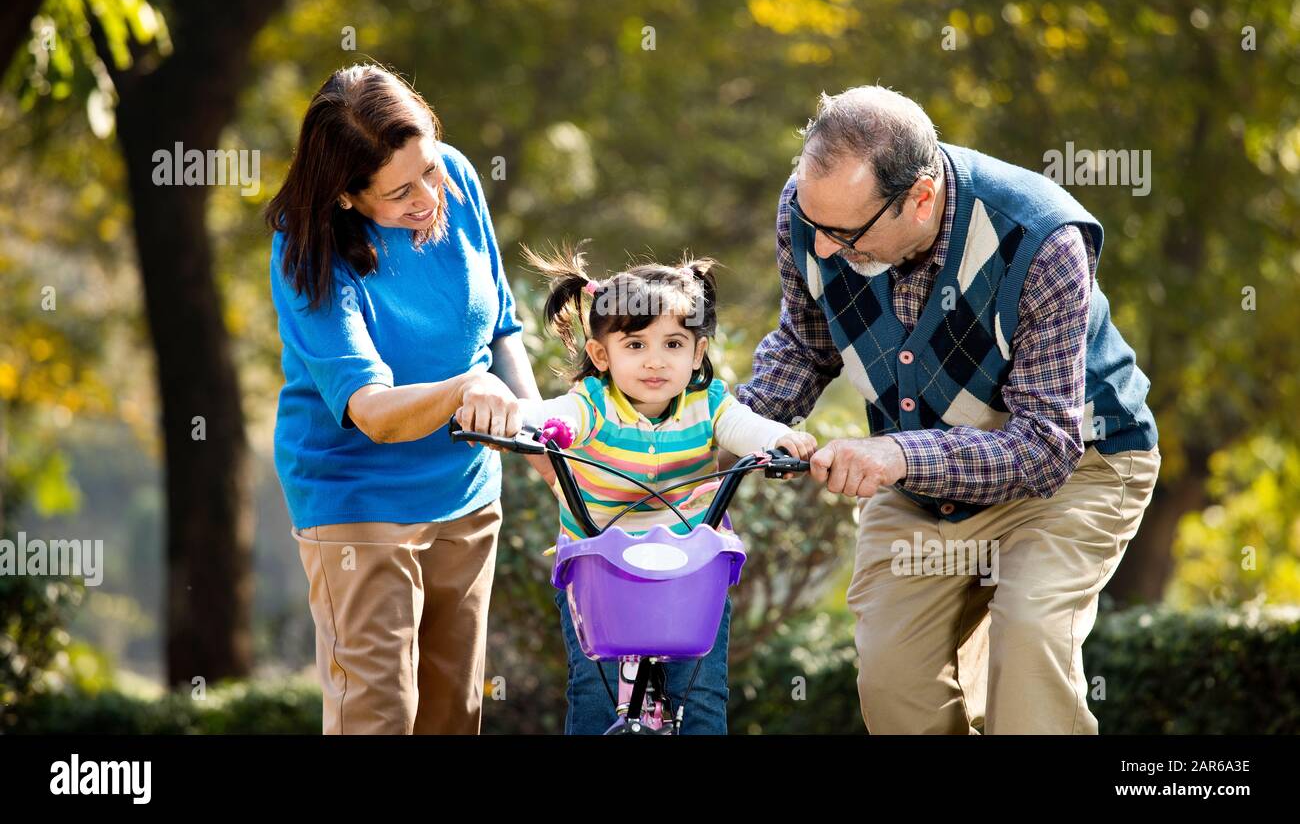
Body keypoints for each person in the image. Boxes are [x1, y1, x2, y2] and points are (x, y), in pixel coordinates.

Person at [738, 85, 1161, 734]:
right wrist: (723, 429)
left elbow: (1046, 447)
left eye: (844, 234)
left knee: (1028, 635)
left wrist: (898, 453)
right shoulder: (813, 211)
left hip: (1080, 468)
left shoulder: (1042, 238)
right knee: (893, 679)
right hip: (921, 480)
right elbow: (805, 342)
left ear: (922, 199)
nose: (822, 248)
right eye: (813, 225)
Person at [265, 64, 548, 734]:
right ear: (345, 196)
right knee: (379, 714)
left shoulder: (454, 177)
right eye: (399, 192)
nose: (427, 195)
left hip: (467, 492)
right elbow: (371, 411)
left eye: (429, 168)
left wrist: (544, 444)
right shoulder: (306, 251)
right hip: (358, 499)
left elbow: (502, 328)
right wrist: (464, 391)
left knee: (455, 713)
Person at [482, 244, 816, 734]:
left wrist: (779, 438)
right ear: (601, 354)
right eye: (635, 346)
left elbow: (745, 427)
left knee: (700, 698)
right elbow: (552, 415)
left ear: (699, 351)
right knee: (593, 696)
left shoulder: (710, 404)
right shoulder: (593, 405)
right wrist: (512, 416)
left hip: (692, 570)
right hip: (600, 569)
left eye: (674, 345)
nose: (655, 362)